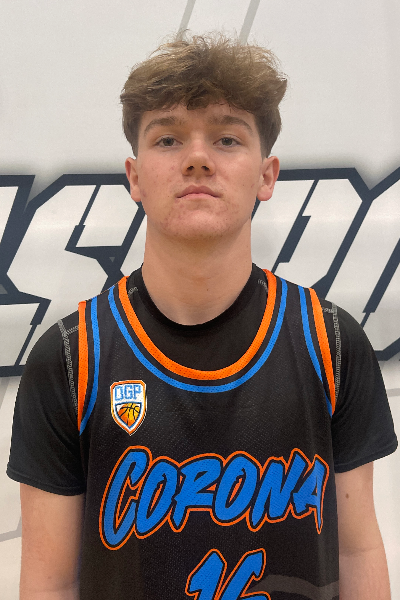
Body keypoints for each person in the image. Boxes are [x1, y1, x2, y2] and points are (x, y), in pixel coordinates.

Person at [7, 34, 397, 600]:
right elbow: (51, 582)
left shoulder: (331, 341)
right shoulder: (69, 359)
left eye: (226, 138)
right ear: (134, 176)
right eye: (167, 138)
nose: (196, 158)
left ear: (266, 175)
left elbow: (357, 551)